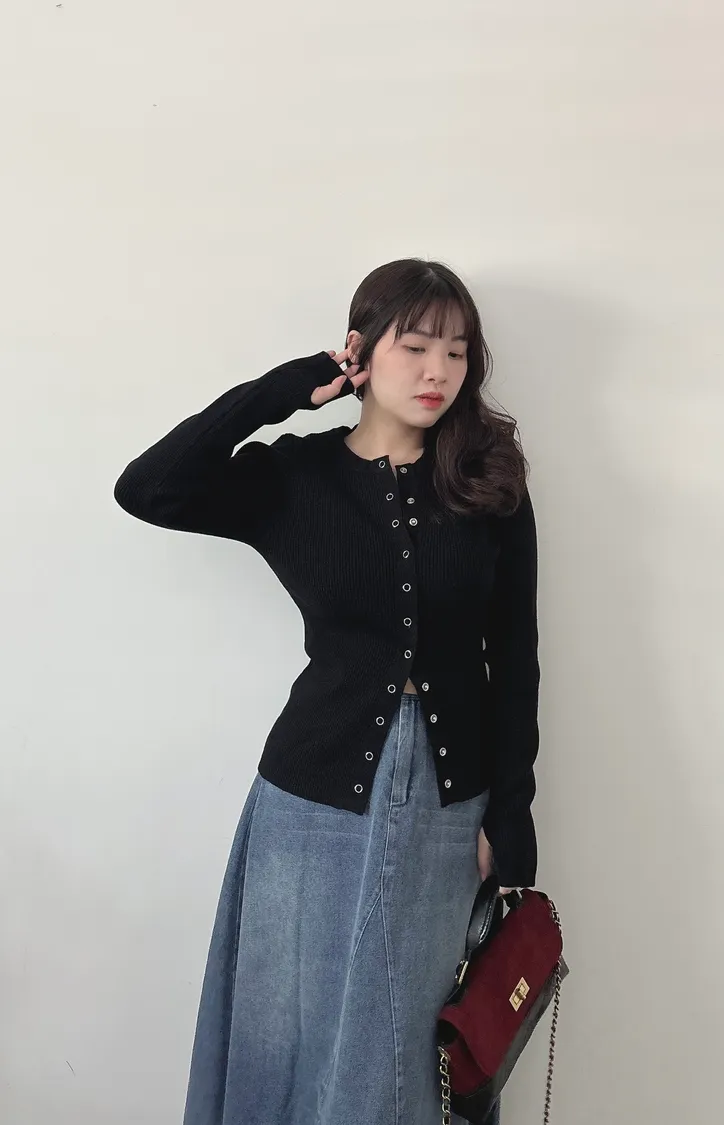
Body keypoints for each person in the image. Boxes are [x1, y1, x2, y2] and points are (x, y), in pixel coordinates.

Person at [114, 257, 541, 1125]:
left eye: (457, 351)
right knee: (286, 1036)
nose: (438, 370)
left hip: (447, 806)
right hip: (308, 805)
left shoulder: (489, 481)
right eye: (415, 345)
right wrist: (284, 391)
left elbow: (516, 657)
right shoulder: (292, 479)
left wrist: (511, 813)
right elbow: (147, 487)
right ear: (361, 351)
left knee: (407, 1049)